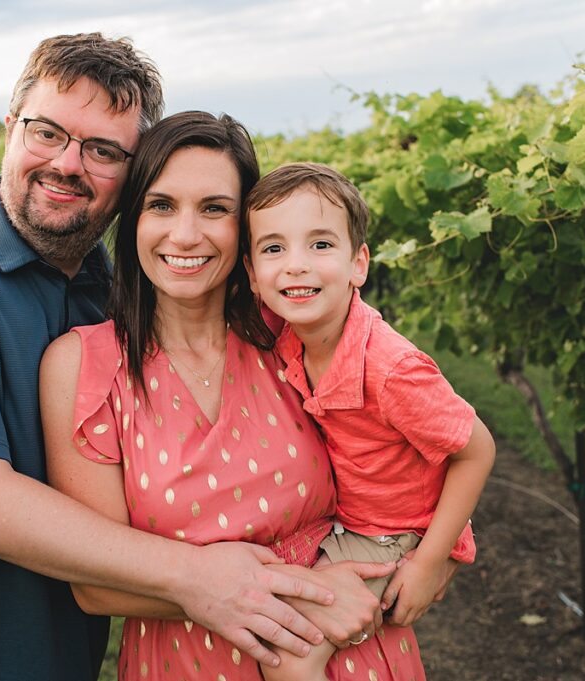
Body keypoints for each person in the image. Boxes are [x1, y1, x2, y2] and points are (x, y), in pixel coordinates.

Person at [0, 35, 340, 681]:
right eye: (47, 132)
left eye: (102, 150)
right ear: (10, 128)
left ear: (130, 174)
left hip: (56, 658)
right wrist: (198, 575)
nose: (67, 163)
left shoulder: (111, 300)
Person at [41, 112, 445, 681]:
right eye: (161, 205)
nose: (185, 235)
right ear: (132, 220)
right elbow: (95, 584)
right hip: (193, 659)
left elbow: (415, 441)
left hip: (347, 650)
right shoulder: (87, 366)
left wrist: (433, 555)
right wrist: (306, 592)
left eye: (214, 209)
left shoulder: (291, 329)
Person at [243, 161, 497, 679]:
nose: (295, 265)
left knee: (292, 652)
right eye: (273, 248)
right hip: (353, 520)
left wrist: (429, 561)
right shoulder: (292, 338)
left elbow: (477, 449)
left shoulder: (390, 370)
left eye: (320, 245)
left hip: (393, 534)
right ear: (250, 274)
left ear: (359, 263)